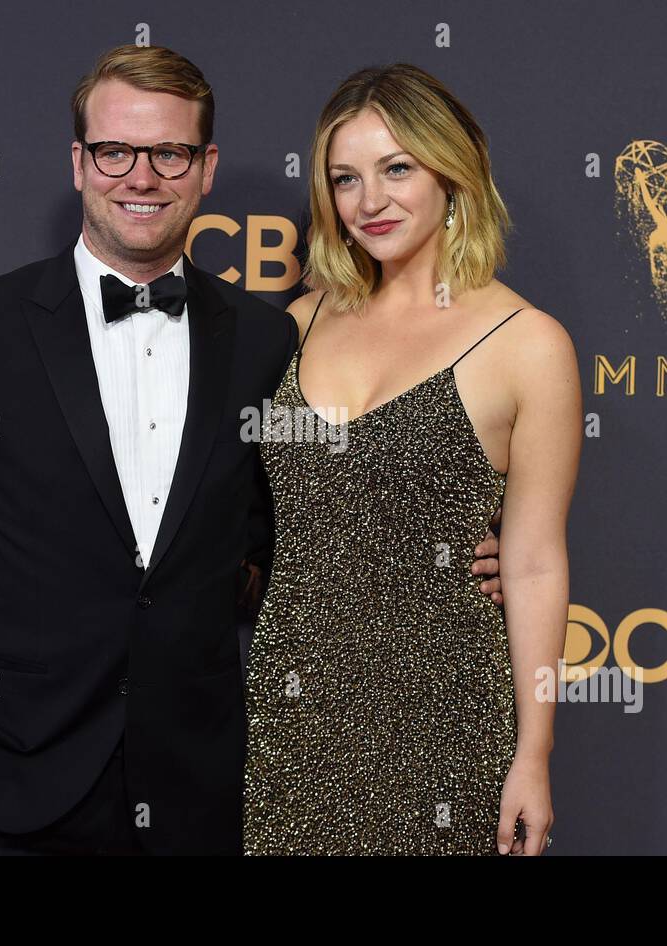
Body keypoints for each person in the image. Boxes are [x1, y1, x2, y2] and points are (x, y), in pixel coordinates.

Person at [0, 45, 504, 856]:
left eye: (170, 152)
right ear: (79, 162)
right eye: (116, 151)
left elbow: (285, 537)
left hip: (197, 792)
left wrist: (439, 557)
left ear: (205, 168)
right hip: (3, 787)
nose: (142, 177)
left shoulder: (265, 338)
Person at [243, 63, 581, 855]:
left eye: (397, 169)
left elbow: (533, 563)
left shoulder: (529, 344)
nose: (370, 201)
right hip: (290, 707)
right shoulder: (297, 320)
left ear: (451, 172)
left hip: (445, 715)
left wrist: (533, 757)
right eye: (345, 178)